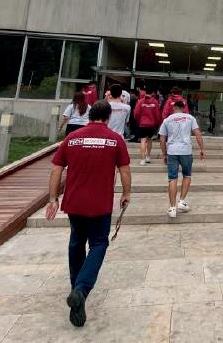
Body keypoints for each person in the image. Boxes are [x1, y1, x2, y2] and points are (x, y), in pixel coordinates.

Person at [44, 101, 132, 328]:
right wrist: (126, 193)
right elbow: (124, 170)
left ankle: (76, 290)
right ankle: (81, 289)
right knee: (99, 244)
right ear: (108, 117)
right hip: (100, 203)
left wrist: (53, 199)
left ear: (90, 115)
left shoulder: (72, 138)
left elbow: (56, 169)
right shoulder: (115, 139)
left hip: (74, 202)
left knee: (76, 242)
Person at [158, 100, 206, 218]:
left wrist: (164, 154)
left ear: (174, 108)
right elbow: (197, 133)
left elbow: (162, 139)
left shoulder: (167, 120)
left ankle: (172, 208)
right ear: (183, 108)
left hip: (172, 151)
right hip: (186, 151)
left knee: (172, 178)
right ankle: (182, 201)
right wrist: (202, 149)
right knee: (187, 175)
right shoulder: (190, 118)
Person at [133, 86, 162, 165]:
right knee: (149, 140)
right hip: (151, 124)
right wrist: (157, 123)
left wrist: (139, 120)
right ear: (152, 93)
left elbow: (136, 113)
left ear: (145, 92)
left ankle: (142, 159)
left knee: (143, 140)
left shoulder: (140, 101)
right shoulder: (155, 102)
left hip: (142, 124)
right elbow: (157, 114)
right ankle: (148, 156)